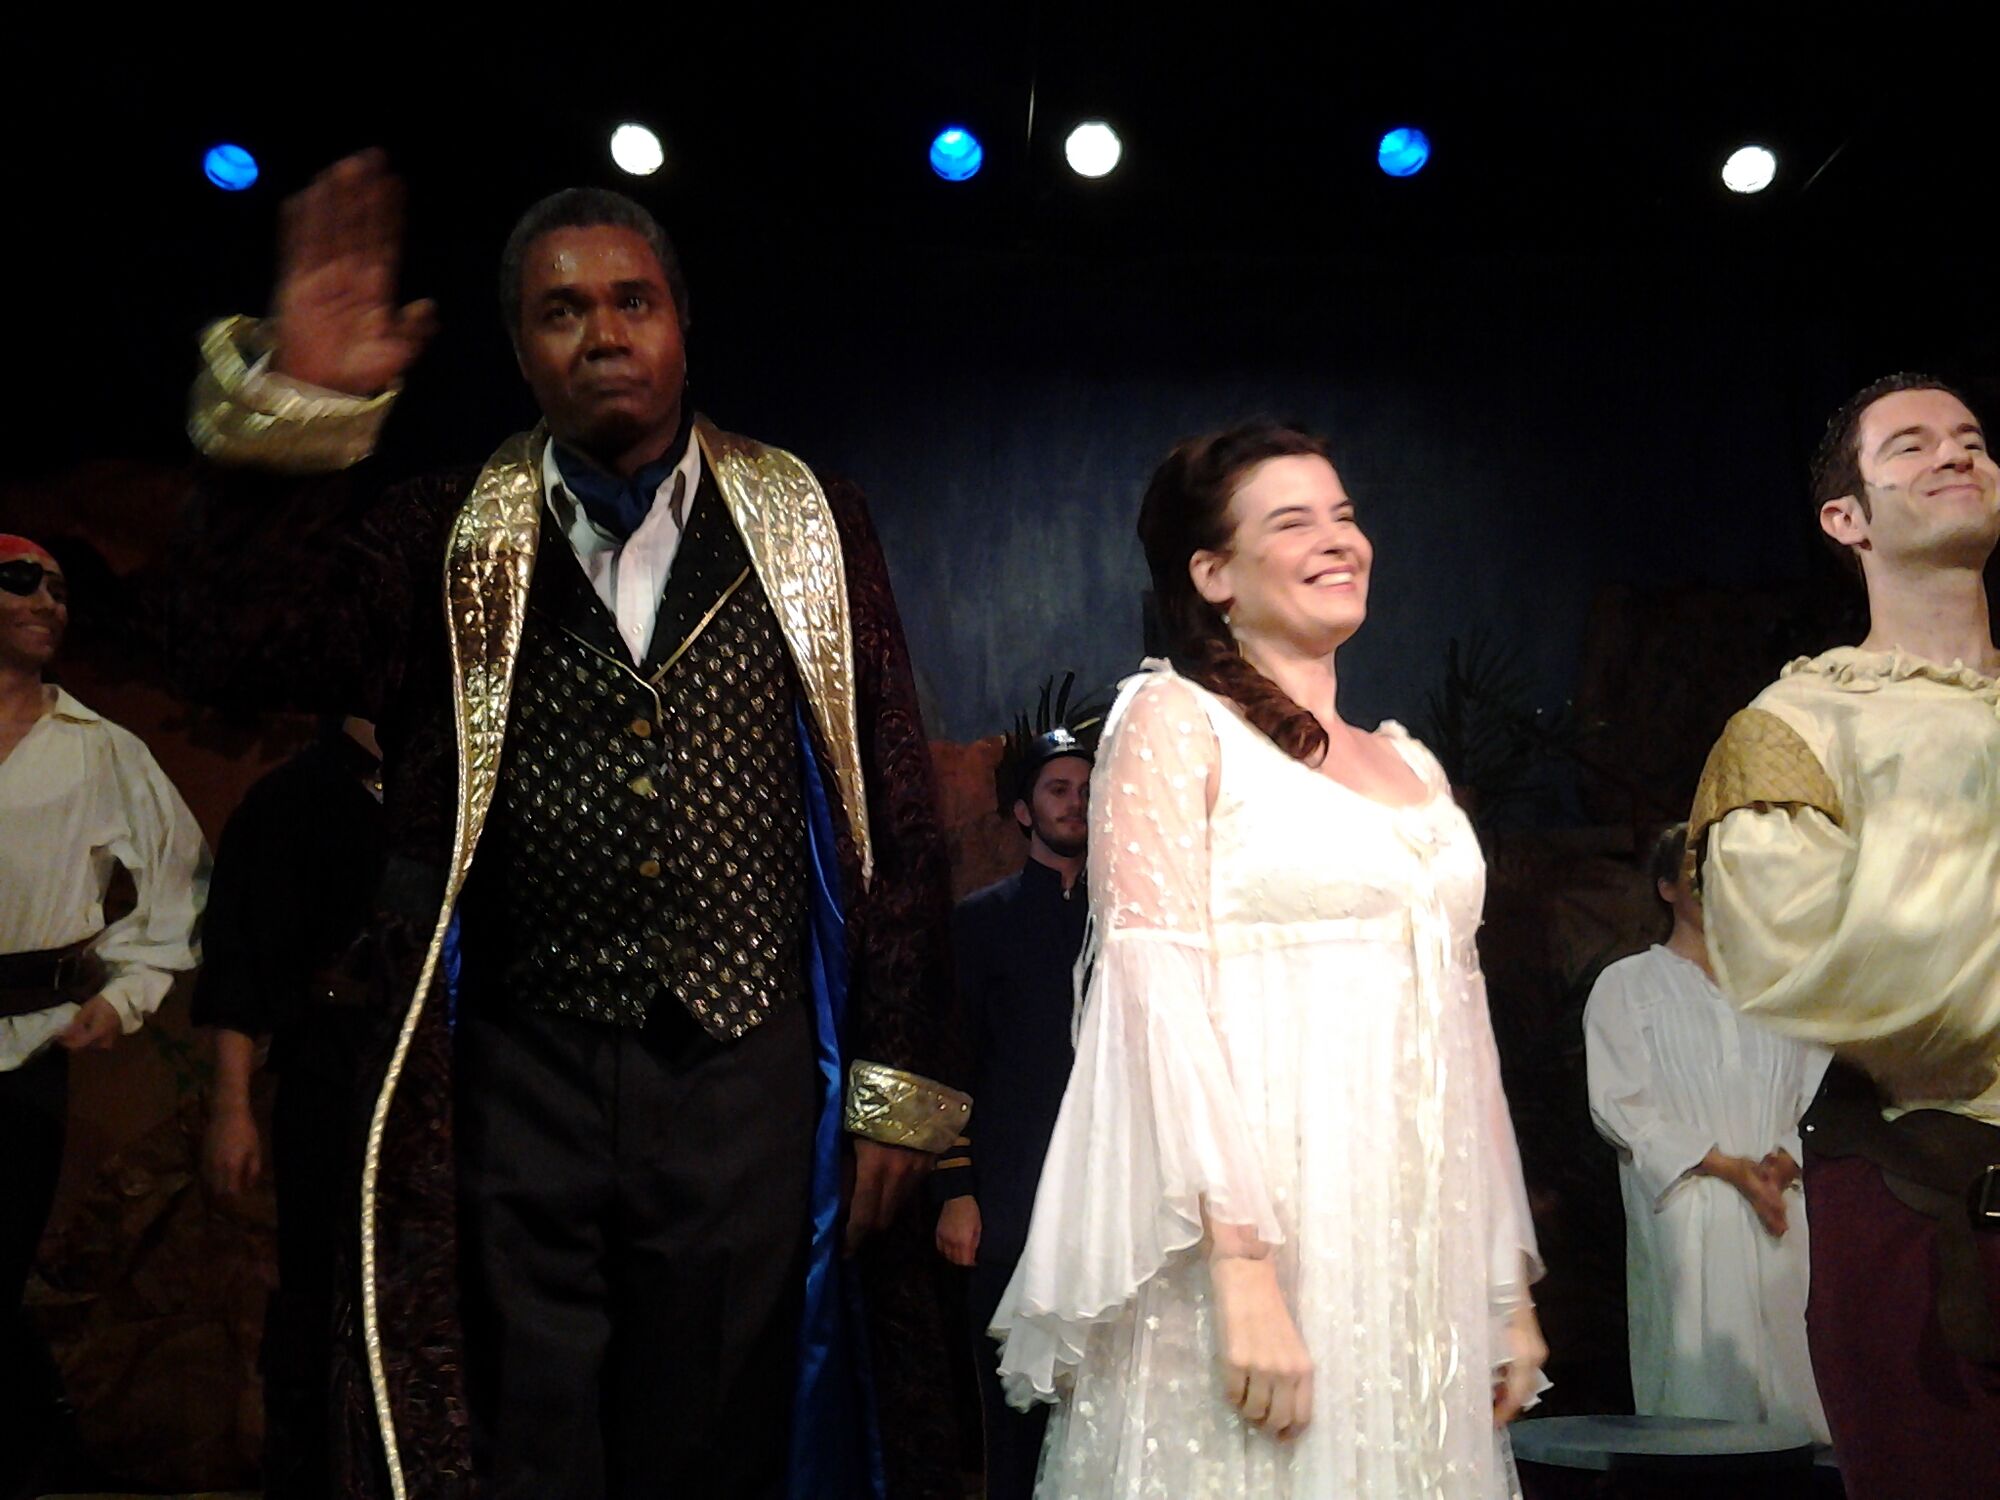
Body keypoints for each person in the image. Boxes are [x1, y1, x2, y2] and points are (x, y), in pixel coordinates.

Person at [166, 154, 968, 1500]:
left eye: (631, 300)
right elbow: (232, 652)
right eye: (561, 310)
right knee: (530, 1431)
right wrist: (302, 407)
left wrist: (900, 1080)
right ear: (519, 348)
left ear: (681, 323)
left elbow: (894, 797)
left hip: (743, 1072)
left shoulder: (809, 519)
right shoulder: (443, 531)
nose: (602, 330)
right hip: (517, 1072)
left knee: (719, 1426)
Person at [991, 423, 1546, 1498]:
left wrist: (1497, 1288)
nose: (1338, 540)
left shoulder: (1412, 766)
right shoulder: (1173, 719)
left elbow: (1460, 1033)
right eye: (1291, 521)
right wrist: (1242, 1274)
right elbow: (1155, 1003)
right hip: (1260, 1231)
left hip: (1407, 1245)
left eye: (1343, 514)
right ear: (1212, 575)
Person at [1689, 372, 2000, 1499]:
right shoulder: (1794, 725)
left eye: (1969, 440)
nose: (1953, 457)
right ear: (1846, 518)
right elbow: (1795, 961)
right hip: (1934, 1211)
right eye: (1910, 446)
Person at [0, 536, 207, 1498]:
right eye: (20, 581)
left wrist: (123, 997)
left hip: (27, 1042)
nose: (48, 601)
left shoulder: (99, 747)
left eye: (60, 588)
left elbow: (177, 884)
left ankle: (50, 1461)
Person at [1583, 821, 1828, 1441]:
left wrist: (1783, 1163)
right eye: (1698, 868)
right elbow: (1619, 1102)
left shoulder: (1780, 987)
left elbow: (1822, 1089)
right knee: (1702, 1389)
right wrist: (1726, 1167)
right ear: (1667, 887)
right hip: (1692, 1207)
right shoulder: (1629, 984)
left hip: (1783, 1209)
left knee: (1800, 1382)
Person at [196, 715, 390, 1500]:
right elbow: (237, 962)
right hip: (329, 1068)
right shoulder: (290, 798)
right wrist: (231, 1105)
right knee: (315, 1287)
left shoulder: (453, 782)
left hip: (448, 1070)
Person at [935, 711, 1095, 1500]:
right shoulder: (981, 923)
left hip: (1104, 1214)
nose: (1076, 804)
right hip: (1006, 1209)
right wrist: (956, 1190)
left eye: (1088, 792)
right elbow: (950, 1065)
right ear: (1024, 810)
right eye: (1058, 790)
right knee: (1014, 1425)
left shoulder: (1124, 925)